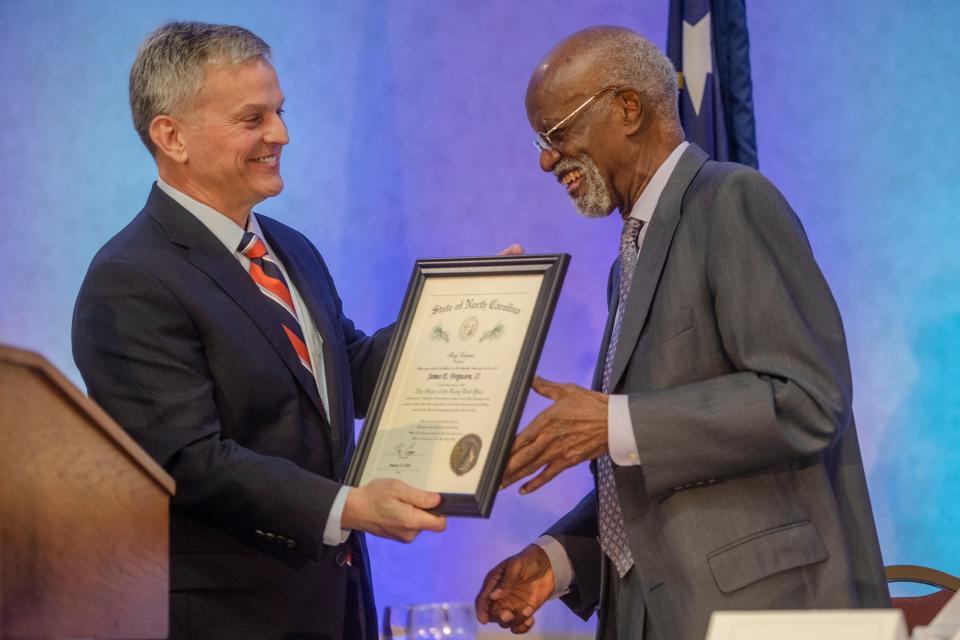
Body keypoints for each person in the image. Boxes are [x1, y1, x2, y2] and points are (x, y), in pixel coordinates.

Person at [475, 26, 890, 640]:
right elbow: (668, 468)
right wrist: (557, 559)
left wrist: (613, 423)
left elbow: (808, 400)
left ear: (628, 109)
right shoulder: (629, 265)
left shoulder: (733, 201)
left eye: (557, 133)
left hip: (759, 613)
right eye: (540, 140)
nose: (544, 158)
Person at [72, 21, 447, 639]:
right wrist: (348, 506)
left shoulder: (289, 247)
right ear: (172, 136)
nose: (281, 134)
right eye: (254, 119)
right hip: (228, 619)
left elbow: (347, 370)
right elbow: (187, 459)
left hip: (336, 603)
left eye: (279, 112)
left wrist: (458, 317)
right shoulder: (129, 277)